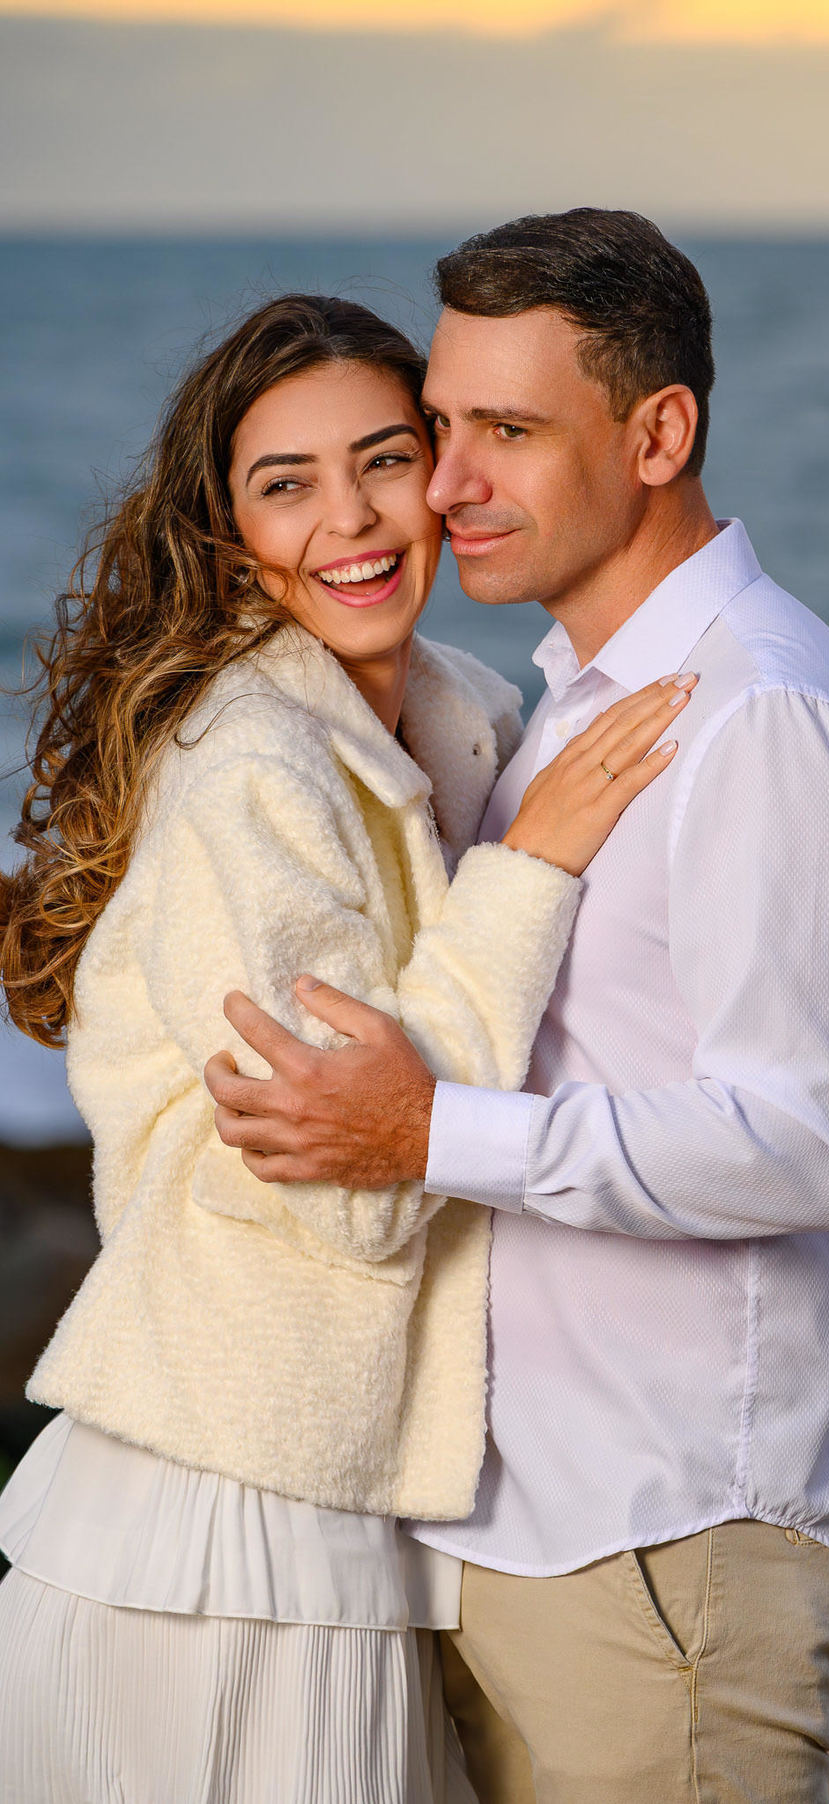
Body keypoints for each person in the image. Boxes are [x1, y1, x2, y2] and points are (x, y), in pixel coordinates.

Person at [206, 210, 829, 1804]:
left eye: (510, 433)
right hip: (536, 1524)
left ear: (659, 432)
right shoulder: (564, 706)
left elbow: (795, 1145)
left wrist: (426, 1129)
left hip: (674, 1537)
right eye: (442, 427)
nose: (448, 485)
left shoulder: (766, 717)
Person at [0, 291, 693, 1804]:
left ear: (447, 471)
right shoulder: (252, 774)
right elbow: (359, 1181)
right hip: (218, 1539)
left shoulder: (455, 725)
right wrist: (539, 870)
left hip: (330, 1503)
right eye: (286, 484)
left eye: (386, 460)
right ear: (223, 529)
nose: (353, 520)